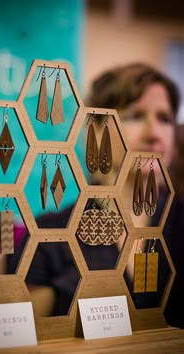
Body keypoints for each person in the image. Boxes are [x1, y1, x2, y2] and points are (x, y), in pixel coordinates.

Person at [22, 62, 184, 329]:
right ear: (97, 129)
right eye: (135, 115)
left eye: (164, 118)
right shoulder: (51, 234)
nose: (154, 134)